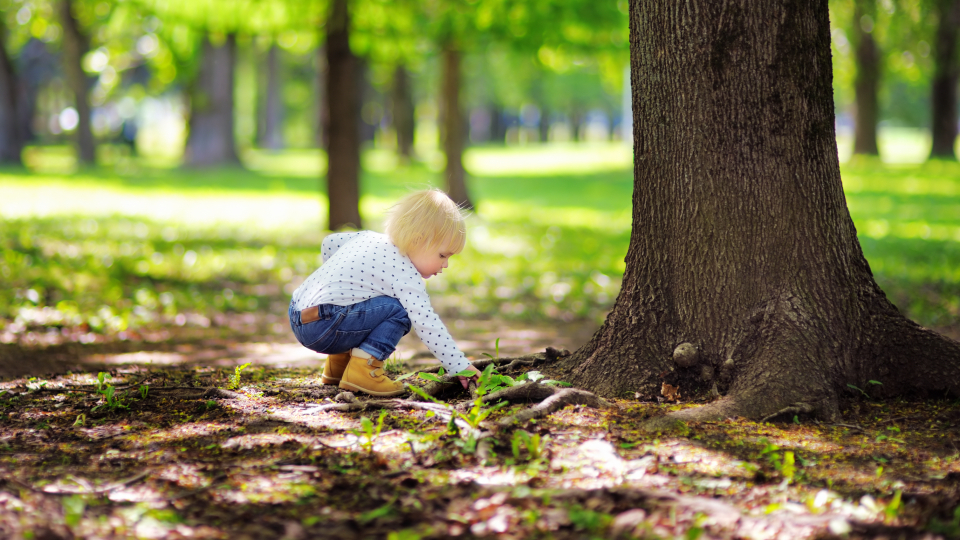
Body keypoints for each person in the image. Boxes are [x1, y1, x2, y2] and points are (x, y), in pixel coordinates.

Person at [288, 189, 482, 397]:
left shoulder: (367, 238)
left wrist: (339, 286)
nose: (445, 265)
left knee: (365, 302)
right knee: (401, 310)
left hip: (298, 313)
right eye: (443, 255)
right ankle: (364, 370)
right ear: (417, 240)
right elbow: (426, 323)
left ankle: (340, 366)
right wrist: (459, 365)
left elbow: (329, 243)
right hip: (326, 326)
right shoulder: (405, 272)